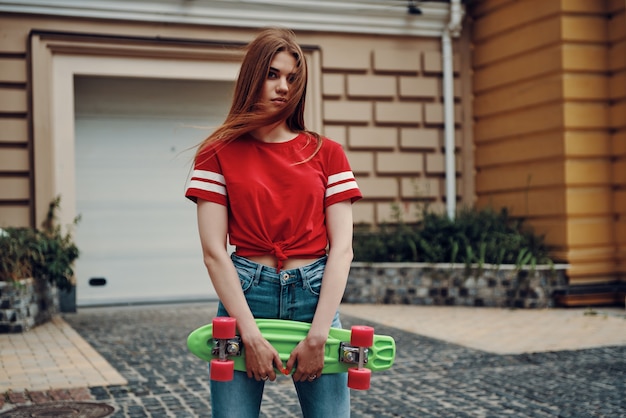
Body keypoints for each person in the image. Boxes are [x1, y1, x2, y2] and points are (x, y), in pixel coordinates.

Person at [185, 27, 362, 418]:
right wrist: (248, 333)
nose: (284, 87)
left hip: (314, 295)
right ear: (252, 77)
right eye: (273, 74)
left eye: (293, 78)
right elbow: (214, 252)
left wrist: (319, 336)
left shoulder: (327, 153)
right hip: (246, 294)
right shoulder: (216, 154)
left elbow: (343, 249)